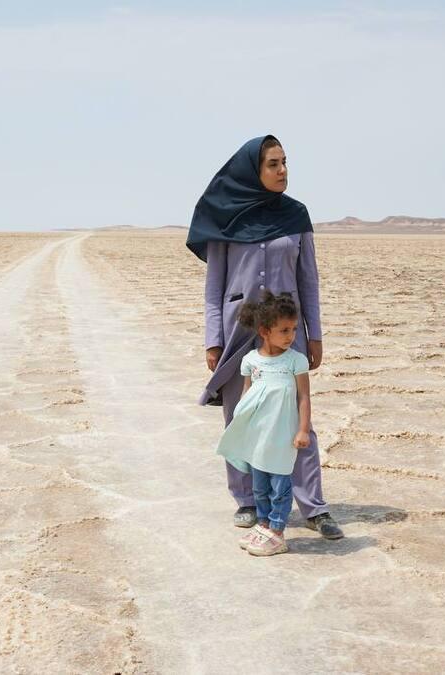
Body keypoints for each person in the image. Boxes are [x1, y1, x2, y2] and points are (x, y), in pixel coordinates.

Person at [187, 134, 343, 540]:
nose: (282, 171)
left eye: (285, 162)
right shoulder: (226, 218)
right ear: (253, 171)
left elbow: (309, 280)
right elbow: (214, 286)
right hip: (239, 333)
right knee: (242, 416)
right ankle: (246, 501)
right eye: (273, 164)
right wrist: (212, 340)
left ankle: (313, 507)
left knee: (296, 416)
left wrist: (315, 335)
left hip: (287, 331)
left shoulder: (296, 215)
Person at [215, 290, 310, 556]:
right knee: (259, 485)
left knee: (280, 485)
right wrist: (242, 429)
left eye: (293, 329)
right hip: (259, 434)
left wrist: (303, 429)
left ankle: (278, 533)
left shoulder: (295, 361)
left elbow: (304, 396)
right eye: (284, 330)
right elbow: (247, 397)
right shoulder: (251, 361)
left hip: (283, 435)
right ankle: (264, 524)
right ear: (265, 331)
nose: (291, 336)